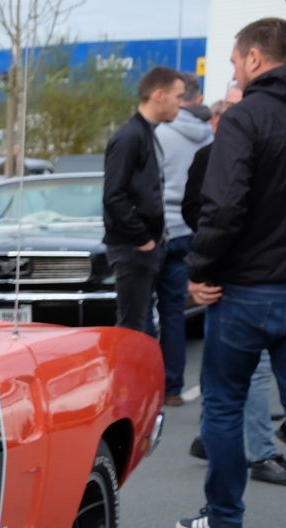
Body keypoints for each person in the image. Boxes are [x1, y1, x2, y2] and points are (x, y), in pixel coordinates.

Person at [180, 19, 286, 528]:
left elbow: (222, 207)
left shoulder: (245, 118)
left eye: (234, 61)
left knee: (223, 403)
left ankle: (224, 516)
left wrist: (200, 271)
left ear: (254, 59)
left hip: (243, 289)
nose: (235, 69)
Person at [104, 65, 186, 335]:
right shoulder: (130, 137)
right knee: (132, 328)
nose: (181, 103)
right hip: (132, 248)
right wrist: (143, 239)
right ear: (159, 95)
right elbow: (114, 195)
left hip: (144, 246)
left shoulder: (146, 133)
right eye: (178, 96)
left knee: (141, 325)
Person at [155, 74, 211, 402]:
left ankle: (149, 386)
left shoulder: (160, 133)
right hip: (191, 227)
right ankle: (173, 387)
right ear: (197, 98)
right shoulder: (207, 136)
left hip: (161, 228)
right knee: (175, 311)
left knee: (146, 313)